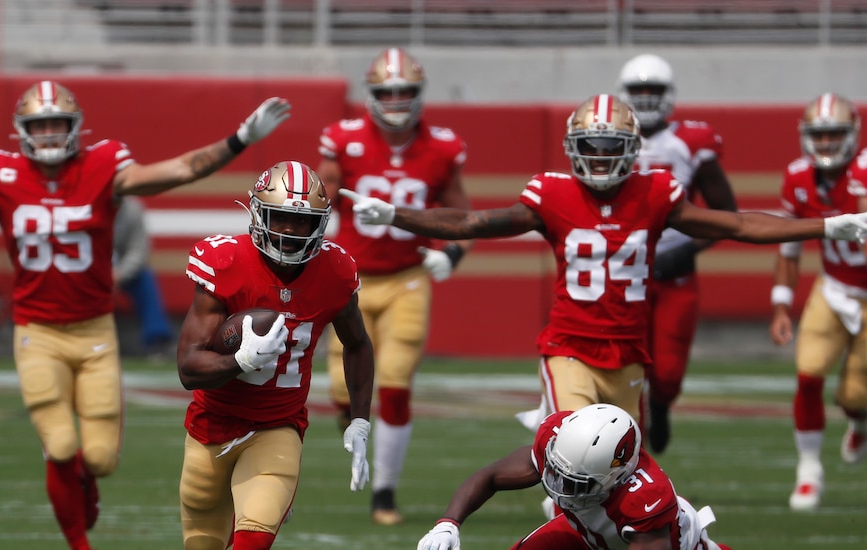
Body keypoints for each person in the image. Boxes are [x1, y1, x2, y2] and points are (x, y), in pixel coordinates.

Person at [0, 82, 290, 550]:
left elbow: (179, 170)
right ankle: (78, 543)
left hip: (94, 330)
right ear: (21, 132)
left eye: (57, 123)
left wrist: (239, 140)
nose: (48, 133)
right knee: (62, 445)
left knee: (101, 458)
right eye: (38, 125)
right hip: (37, 331)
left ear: (76, 128)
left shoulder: (103, 166)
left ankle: (82, 483)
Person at [341, 92, 867, 432]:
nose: (597, 158)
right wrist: (396, 215)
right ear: (573, 148)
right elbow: (473, 222)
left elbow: (737, 224)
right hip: (569, 344)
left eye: (608, 146)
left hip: (629, 352)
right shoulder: (553, 193)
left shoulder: (656, 191)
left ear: (632, 148)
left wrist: (825, 224)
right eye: (588, 147)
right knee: (576, 446)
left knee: (617, 465)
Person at [177, 161, 374, 550]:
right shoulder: (226, 263)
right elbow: (188, 368)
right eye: (281, 217)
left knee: (253, 540)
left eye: (303, 222)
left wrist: (360, 420)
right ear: (257, 212)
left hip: (278, 427)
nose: (290, 231)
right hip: (210, 427)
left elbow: (358, 343)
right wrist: (241, 361)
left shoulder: (335, 271)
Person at [319, 46, 473, 525]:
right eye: (388, 91)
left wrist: (452, 252)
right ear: (371, 95)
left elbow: (462, 216)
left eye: (405, 90)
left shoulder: (442, 146)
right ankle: (353, 424)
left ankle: (384, 491)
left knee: (396, 382)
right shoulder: (343, 140)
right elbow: (320, 201)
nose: (397, 99)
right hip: (350, 281)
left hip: (408, 280)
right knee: (342, 394)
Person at [617, 53, 738, 454]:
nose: (646, 98)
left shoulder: (691, 142)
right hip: (623, 274)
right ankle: (629, 449)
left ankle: (662, 405)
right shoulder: (608, 138)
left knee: (666, 374)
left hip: (675, 274)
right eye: (639, 90)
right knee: (626, 367)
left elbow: (726, 213)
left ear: (669, 94)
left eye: (653, 90)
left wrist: (688, 248)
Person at [415, 403, 730, 550]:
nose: (559, 487)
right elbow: (491, 476)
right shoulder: (563, 441)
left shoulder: (644, 502)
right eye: (557, 472)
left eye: (576, 482)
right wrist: (448, 525)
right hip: (589, 535)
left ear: (617, 476)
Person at [768, 92, 867, 512]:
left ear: (852, 135)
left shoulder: (863, 170)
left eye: (834, 134)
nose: (826, 143)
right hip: (832, 288)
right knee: (808, 377)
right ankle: (809, 472)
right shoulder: (797, 178)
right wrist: (780, 305)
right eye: (819, 135)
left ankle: (859, 419)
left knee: (853, 397)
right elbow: (789, 248)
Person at [113, 195, 174, 357]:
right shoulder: (84, 205)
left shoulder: (132, 208)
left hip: (120, 270)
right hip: (90, 272)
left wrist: (119, 274)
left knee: (145, 279)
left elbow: (138, 250)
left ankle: (157, 341)